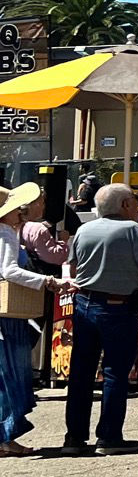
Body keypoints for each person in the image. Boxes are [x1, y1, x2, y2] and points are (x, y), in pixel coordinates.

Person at [63, 183, 138, 456]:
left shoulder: (84, 230)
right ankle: (108, 437)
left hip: (84, 303)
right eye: (133, 200)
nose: (136, 204)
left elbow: (72, 268)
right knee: (115, 373)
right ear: (124, 205)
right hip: (117, 308)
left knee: (81, 373)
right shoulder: (133, 231)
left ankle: (74, 437)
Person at [0, 184, 53, 456]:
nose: (20, 213)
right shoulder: (6, 233)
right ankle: (4, 437)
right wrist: (46, 280)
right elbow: (9, 271)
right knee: (11, 376)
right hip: (8, 316)